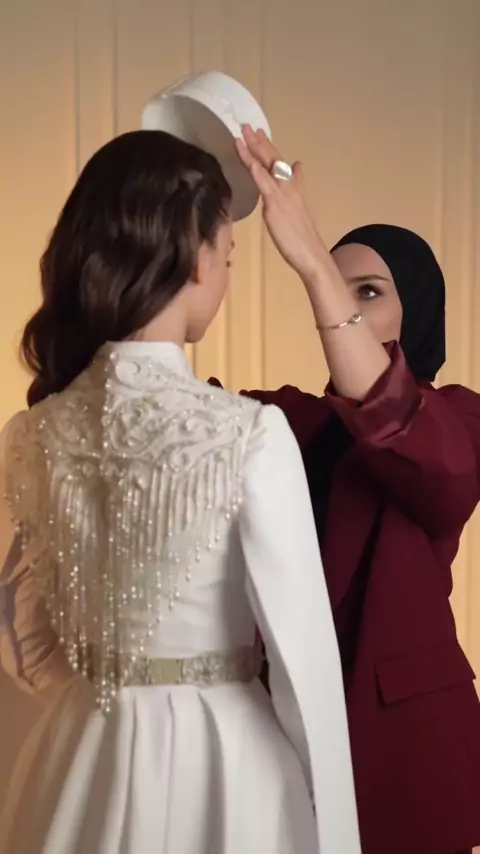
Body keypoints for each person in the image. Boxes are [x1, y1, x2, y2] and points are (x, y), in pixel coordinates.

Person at [0, 128, 361, 854]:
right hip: (225, 765)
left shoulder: (28, 434)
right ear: (198, 257)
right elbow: (306, 670)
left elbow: (21, 634)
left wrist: (101, 702)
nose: (225, 274)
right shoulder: (248, 433)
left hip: (81, 754)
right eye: (228, 256)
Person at [224, 148, 480, 854]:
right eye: (337, 291)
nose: (342, 306)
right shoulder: (288, 419)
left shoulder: (460, 419)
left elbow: (414, 442)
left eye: (367, 291)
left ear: (416, 308)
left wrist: (312, 260)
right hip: (278, 727)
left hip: (403, 744)